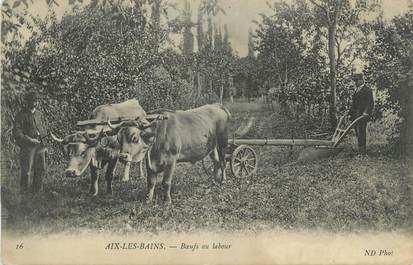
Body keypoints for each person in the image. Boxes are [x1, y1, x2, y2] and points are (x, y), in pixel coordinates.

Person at [13, 90, 48, 194]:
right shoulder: (21, 115)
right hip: (28, 146)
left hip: (41, 145)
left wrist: (45, 140)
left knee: (41, 168)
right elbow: (17, 132)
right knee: (26, 170)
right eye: (33, 101)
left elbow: (44, 127)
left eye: (37, 100)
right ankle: (24, 193)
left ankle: (37, 191)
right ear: (27, 102)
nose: (35, 103)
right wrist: (29, 139)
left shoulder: (39, 114)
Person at [349, 73, 374, 155]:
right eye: (354, 81)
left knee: (362, 132)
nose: (355, 82)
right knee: (357, 132)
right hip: (355, 115)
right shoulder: (356, 91)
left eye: (357, 80)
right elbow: (354, 104)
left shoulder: (367, 90)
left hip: (363, 115)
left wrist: (366, 112)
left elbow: (370, 103)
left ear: (362, 80)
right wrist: (349, 112)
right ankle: (360, 149)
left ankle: (362, 152)